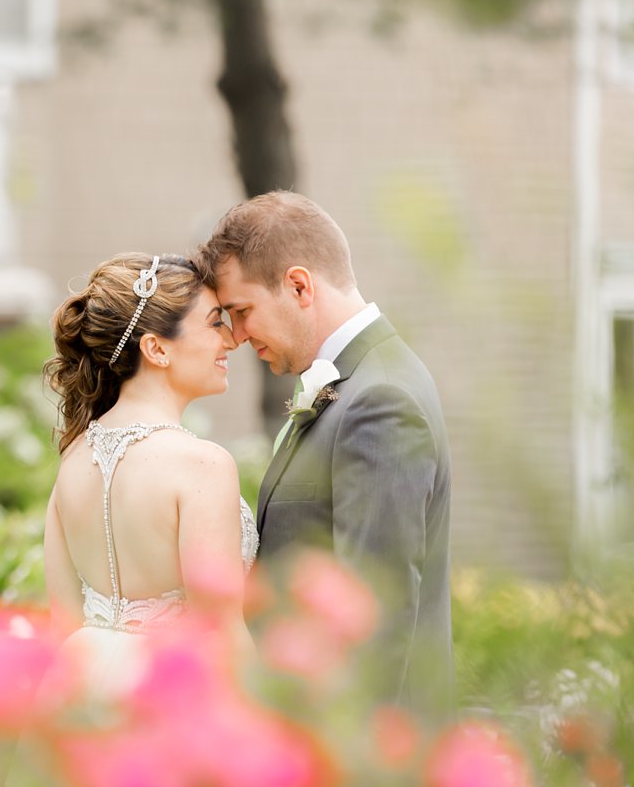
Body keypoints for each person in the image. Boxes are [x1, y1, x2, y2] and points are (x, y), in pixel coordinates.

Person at [203, 190, 454, 720]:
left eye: (241, 312)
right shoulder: (359, 383)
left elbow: (375, 614)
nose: (240, 336)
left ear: (299, 285)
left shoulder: (380, 401)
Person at [41, 252, 255, 703]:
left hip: (80, 694)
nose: (233, 340)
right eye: (215, 322)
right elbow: (221, 634)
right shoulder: (202, 465)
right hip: (170, 698)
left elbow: (62, 618)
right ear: (157, 348)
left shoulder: (73, 460)